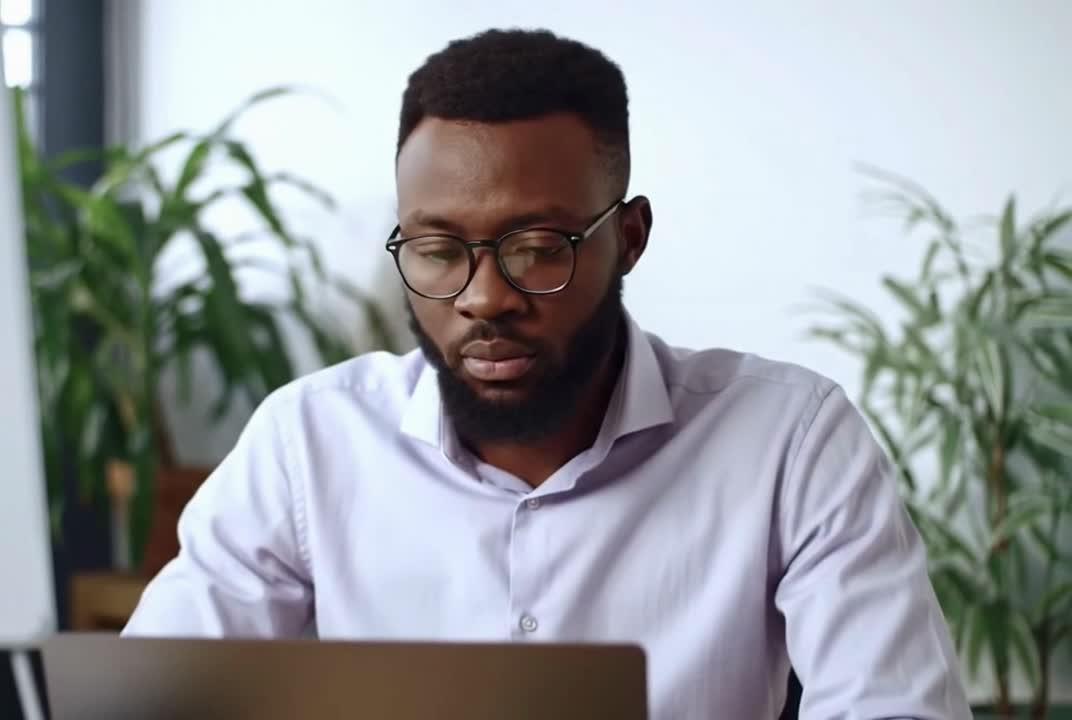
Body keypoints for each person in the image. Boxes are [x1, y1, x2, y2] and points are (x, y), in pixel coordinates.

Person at [124, 28, 970, 719]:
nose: (485, 298)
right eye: (438, 250)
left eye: (537, 248)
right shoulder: (308, 441)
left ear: (629, 237)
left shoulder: (790, 441)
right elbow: (149, 702)